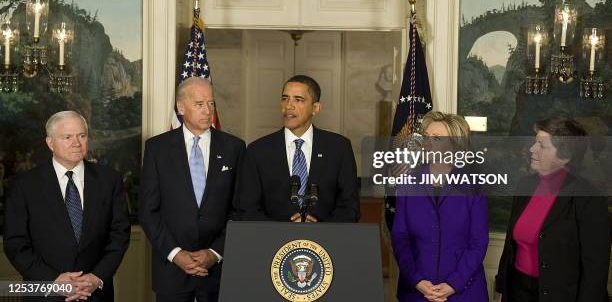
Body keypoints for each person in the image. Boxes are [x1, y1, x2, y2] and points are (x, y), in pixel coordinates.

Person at [3, 111, 130, 302]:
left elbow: (119, 235)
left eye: (82, 136)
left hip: (95, 292)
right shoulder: (24, 185)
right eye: (67, 137)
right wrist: (53, 281)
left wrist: (96, 277)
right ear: (50, 143)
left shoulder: (109, 180)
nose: (76, 143)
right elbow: (15, 242)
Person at [139, 76, 245, 302]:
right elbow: (148, 211)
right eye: (199, 104)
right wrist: (176, 254)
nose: (208, 111)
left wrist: (214, 253)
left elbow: (240, 210)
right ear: (181, 107)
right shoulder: (157, 148)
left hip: (219, 272)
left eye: (211, 103)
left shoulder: (234, 147)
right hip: (171, 271)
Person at [495, 118, 610, 302]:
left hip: (562, 294)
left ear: (565, 154)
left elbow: (595, 268)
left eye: (541, 145)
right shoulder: (525, 185)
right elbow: (510, 244)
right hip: (518, 290)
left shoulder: (588, 197)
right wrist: (500, 285)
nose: (532, 149)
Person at [392, 111, 489, 302]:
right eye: (426, 137)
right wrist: (417, 280)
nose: (427, 143)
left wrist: (453, 284)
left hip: (463, 291)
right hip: (417, 291)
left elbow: (478, 243)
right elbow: (400, 238)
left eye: (436, 138)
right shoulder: (408, 184)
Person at [234, 74, 359, 223]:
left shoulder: (339, 148)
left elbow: (350, 207)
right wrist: (284, 230)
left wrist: (322, 228)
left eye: (298, 100)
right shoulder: (257, 151)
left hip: (326, 242)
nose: (288, 106)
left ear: (316, 108)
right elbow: (247, 209)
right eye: (285, 98)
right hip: (273, 242)